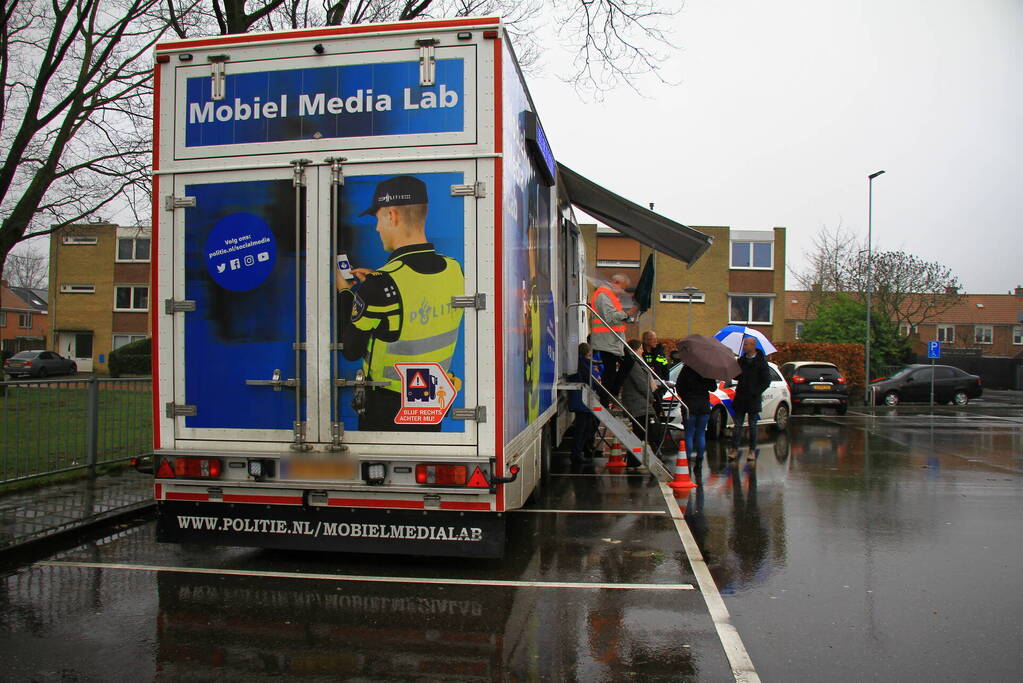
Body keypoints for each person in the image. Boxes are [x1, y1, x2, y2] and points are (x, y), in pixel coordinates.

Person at [337, 175, 465, 431]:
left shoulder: (380, 285)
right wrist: (377, 285)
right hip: (431, 402)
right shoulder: (455, 269)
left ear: (391, 215)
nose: (377, 228)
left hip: (386, 411)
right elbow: (415, 292)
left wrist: (346, 293)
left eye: (377, 219)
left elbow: (350, 350)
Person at [589, 273, 635, 404]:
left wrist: (626, 316)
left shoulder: (608, 296)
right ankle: (608, 395)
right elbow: (610, 318)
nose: (622, 292)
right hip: (607, 340)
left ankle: (609, 394)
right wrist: (626, 313)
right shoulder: (604, 296)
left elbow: (613, 317)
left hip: (611, 339)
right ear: (616, 283)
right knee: (617, 367)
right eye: (623, 288)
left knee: (614, 369)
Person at [730, 336, 772, 453]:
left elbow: (766, 381)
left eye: (746, 344)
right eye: (744, 344)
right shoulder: (741, 361)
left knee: (752, 425)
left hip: (753, 398)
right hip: (741, 397)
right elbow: (736, 377)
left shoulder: (761, 362)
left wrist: (756, 392)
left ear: (753, 345)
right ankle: (734, 449)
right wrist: (733, 369)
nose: (744, 347)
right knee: (737, 425)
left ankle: (752, 450)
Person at [620, 338, 657, 467]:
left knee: (640, 433)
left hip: (639, 403)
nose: (642, 351)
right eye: (640, 348)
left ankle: (633, 461)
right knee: (646, 431)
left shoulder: (636, 363)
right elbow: (641, 384)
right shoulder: (634, 364)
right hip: (638, 403)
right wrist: (651, 397)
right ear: (635, 350)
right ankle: (643, 460)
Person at [675, 361, 716, 470]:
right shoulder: (706, 369)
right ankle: (699, 461)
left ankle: (687, 460)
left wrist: (686, 395)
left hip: (689, 405)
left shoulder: (686, 370)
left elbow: (679, 387)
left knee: (689, 434)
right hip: (703, 405)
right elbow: (713, 388)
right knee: (701, 433)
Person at [569, 342, 601, 463]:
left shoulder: (579, 364)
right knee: (582, 429)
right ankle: (576, 454)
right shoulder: (583, 364)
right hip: (583, 401)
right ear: (587, 354)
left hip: (582, 401)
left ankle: (579, 452)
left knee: (585, 427)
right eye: (589, 355)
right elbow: (593, 378)